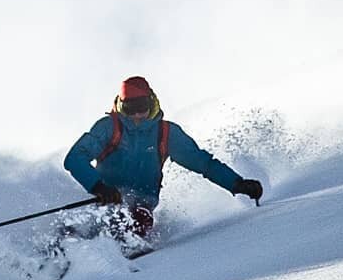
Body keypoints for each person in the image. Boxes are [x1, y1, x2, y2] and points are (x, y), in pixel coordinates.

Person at [64, 77, 263, 247]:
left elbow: (203, 163)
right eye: (129, 108)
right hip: (105, 201)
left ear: (152, 103)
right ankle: (64, 252)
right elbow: (74, 158)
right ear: (120, 106)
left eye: (141, 107)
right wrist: (98, 187)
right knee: (87, 227)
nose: (135, 115)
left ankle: (127, 254)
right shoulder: (109, 128)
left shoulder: (166, 133)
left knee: (134, 222)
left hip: (141, 206)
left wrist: (237, 183)